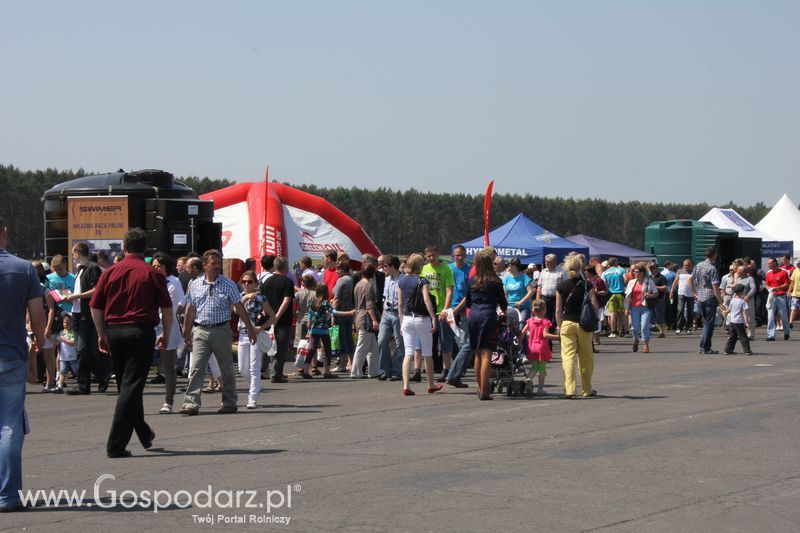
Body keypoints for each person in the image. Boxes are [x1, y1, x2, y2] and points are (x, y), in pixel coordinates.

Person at [89, 228, 173, 457]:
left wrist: (101, 333)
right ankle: (115, 444)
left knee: (127, 386)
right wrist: (165, 333)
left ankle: (144, 433)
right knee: (131, 386)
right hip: (140, 331)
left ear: (124, 247)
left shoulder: (110, 272)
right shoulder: (153, 274)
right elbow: (167, 309)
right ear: (145, 248)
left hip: (115, 331)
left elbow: (95, 306)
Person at [0, 215, 46, 512]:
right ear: (4, 232)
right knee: (9, 425)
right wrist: (40, 341)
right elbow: (37, 314)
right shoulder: (23, 268)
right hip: (11, 354)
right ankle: (7, 496)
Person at [180, 249, 257, 416]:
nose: (217, 267)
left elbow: (239, 307)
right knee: (196, 368)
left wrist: (250, 329)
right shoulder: (195, 285)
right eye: (213, 263)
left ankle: (229, 402)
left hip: (221, 330)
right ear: (205, 265)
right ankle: (191, 403)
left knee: (226, 368)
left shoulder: (228, 284)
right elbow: (190, 310)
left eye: (218, 264)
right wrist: (186, 334)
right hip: (200, 330)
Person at [453, 251, 507, 400]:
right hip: (488, 315)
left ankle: (479, 387)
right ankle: (484, 390)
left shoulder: (472, 281)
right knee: (487, 353)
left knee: (477, 352)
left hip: (474, 316)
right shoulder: (495, 281)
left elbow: (468, 302)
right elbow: (503, 304)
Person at [556, 254, 600, 399]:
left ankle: (569, 389)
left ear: (566, 268)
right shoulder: (587, 284)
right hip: (584, 324)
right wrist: (596, 319)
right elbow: (594, 304)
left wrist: (559, 325)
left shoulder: (561, 286)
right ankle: (586, 389)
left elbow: (558, 310)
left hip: (567, 323)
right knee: (586, 357)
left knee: (568, 357)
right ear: (580, 267)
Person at [65, 242, 107, 395]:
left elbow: (96, 290)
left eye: (73, 253)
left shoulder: (92, 268)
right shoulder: (80, 271)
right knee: (80, 350)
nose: (73, 256)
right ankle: (83, 385)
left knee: (83, 348)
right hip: (76, 313)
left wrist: (77, 296)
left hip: (86, 314)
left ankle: (102, 375)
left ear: (77, 252)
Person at [397, 253, 441, 396]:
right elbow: (427, 300)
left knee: (408, 352)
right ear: (419, 266)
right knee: (427, 352)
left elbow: (400, 304)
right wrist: (433, 317)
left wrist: (401, 321)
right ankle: (431, 384)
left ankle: (406, 385)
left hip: (407, 318)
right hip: (422, 318)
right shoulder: (422, 280)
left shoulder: (401, 280)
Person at [151, 253, 185, 414]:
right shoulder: (148, 281)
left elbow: (177, 304)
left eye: (160, 266)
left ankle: (168, 401)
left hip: (168, 325)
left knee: (168, 364)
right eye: (154, 266)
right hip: (150, 324)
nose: (156, 269)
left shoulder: (174, 282)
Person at [237, 271, 276, 407]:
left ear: (256, 284)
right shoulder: (239, 297)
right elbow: (236, 310)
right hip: (242, 334)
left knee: (254, 367)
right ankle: (257, 386)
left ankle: (252, 398)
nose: (246, 284)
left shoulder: (261, 298)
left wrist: (261, 328)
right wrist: (246, 297)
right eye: (244, 282)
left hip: (256, 334)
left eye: (249, 282)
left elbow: (273, 317)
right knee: (242, 368)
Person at [421, 246, 455, 382]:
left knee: (445, 341)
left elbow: (449, 291)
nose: (431, 258)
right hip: (428, 311)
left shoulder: (446, 269)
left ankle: (446, 369)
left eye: (433, 255)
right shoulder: (424, 269)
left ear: (438, 254)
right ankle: (431, 368)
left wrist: (445, 310)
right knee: (429, 342)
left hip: (442, 310)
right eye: (428, 256)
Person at [260, 257, 295, 383]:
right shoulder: (287, 282)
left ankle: (264, 370)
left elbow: (261, 300)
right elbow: (286, 301)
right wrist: (276, 317)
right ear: (285, 267)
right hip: (283, 320)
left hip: (267, 319)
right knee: (281, 348)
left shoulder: (266, 281)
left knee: (268, 345)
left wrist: (267, 314)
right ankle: (276, 374)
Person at [445, 245, 472, 388]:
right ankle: (452, 369)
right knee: (452, 339)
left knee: (464, 341)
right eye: (457, 255)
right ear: (453, 256)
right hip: (450, 308)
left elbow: (468, 294)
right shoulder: (448, 269)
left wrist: (456, 309)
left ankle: (458, 371)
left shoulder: (469, 270)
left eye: (462, 255)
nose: (460, 257)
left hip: (464, 309)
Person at [519, 299, 559, 396]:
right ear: (544, 310)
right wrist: (557, 337)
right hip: (541, 347)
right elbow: (545, 335)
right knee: (542, 370)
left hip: (532, 347)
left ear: (533, 310)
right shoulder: (546, 322)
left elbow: (522, 333)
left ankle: (529, 379)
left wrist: (519, 342)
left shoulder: (530, 321)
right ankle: (540, 389)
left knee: (534, 368)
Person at [377, 255, 404, 382]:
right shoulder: (386, 279)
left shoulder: (402, 279)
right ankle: (385, 370)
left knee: (399, 343)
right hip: (387, 312)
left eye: (386, 266)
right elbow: (384, 298)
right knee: (381, 340)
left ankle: (397, 371)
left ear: (393, 266)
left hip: (398, 313)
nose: (384, 268)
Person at [692, 246, 724, 355]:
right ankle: (705, 347)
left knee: (705, 322)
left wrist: (694, 293)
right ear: (714, 255)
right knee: (708, 323)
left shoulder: (698, 265)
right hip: (709, 296)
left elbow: (690, 279)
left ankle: (703, 346)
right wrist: (720, 302)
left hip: (700, 296)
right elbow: (715, 287)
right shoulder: (712, 268)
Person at [351, 263, 380, 378]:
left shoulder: (358, 284)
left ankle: (374, 371)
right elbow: (369, 306)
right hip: (366, 318)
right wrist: (374, 320)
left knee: (373, 347)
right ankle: (356, 371)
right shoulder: (368, 285)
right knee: (362, 346)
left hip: (359, 316)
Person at [305, 285, 337, 379]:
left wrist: (308, 328)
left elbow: (309, 317)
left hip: (314, 329)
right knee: (327, 350)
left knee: (311, 350)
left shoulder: (313, 302)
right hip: (324, 329)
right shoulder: (326, 303)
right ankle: (327, 372)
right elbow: (331, 313)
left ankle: (306, 370)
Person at [624, 264, 658, 353]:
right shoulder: (631, 282)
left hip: (645, 307)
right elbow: (628, 296)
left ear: (642, 273)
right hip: (634, 307)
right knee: (635, 328)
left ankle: (646, 345)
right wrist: (627, 308)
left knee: (644, 326)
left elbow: (656, 293)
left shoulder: (649, 281)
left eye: (636, 272)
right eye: (634, 272)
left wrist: (650, 295)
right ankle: (636, 340)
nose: (635, 273)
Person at [331, 258, 355, 373]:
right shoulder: (351, 280)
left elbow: (337, 298)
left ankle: (342, 364)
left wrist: (332, 313)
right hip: (350, 311)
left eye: (338, 269)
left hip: (341, 312)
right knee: (349, 338)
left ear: (342, 269)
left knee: (342, 339)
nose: (336, 271)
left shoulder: (341, 281)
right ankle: (351, 362)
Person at [765, 257, 791, 342]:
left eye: (770, 263)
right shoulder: (769, 274)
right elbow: (767, 284)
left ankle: (786, 332)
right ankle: (771, 335)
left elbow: (787, 284)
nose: (768, 265)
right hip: (772, 296)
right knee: (770, 316)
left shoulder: (783, 272)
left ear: (775, 263)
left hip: (781, 296)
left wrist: (778, 288)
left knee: (784, 316)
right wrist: (769, 289)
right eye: (768, 263)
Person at [723, 284, 753, 355]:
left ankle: (727, 350)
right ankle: (747, 350)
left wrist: (725, 312)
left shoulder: (733, 300)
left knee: (732, 336)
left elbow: (729, 309)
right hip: (739, 321)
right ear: (742, 292)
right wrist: (747, 323)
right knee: (743, 337)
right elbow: (745, 313)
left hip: (732, 321)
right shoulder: (743, 302)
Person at [503, 257, 535, 324]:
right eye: (508, 266)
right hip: (511, 307)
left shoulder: (524, 277)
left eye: (511, 266)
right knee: (511, 326)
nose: (509, 268)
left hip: (524, 307)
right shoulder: (507, 279)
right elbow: (505, 293)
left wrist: (521, 302)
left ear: (517, 266)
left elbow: (531, 291)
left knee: (521, 325)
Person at [601, 257, 626, 337]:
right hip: (620, 292)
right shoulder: (621, 270)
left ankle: (613, 332)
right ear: (615, 262)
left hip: (610, 294)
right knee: (621, 313)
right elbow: (626, 280)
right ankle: (621, 330)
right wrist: (621, 284)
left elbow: (603, 284)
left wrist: (609, 287)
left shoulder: (605, 273)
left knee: (612, 313)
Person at [671, 259, 696, 334]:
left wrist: (696, 293)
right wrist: (672, 291)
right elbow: (675, 282)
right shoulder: (679, 271)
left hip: (691, 295)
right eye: (685, 265)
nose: (686, 266)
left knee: (690, 311)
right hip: (681, 293)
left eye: (688, 265)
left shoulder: (694, 272)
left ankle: (688, 328)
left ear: (691, 265)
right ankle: (679, 328)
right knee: (680, 309)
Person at [56, 313, 79, 392]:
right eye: (65, 323)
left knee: (76, 371)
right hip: (64, 357)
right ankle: (60, 385)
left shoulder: (73, 332)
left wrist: (63, 339)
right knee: (63, 371)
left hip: (73, 356)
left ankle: (81, 383)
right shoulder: (62, 332)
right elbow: (58, 343)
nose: (66, 324)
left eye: (68, 323)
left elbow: (73, 343)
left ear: (72, 323)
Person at [734, 264, 757, 339]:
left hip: (748, 300)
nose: (737, 271)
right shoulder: (738, 279)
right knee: (740, 317)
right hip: (739, 301)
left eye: (738, 270)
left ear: (743, 271)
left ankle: (751, 334)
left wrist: (748, 296)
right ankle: (741, 334)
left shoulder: (750, 278)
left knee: (749, 317)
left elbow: (753, 288)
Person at [788, 258, 800, 329]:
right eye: (797, 264)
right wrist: (789, 291)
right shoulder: (795, 271)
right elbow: (792, 282)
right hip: (795, 293)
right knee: (794, 308)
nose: (798, 265)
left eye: (799, 264)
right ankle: (790, 322)